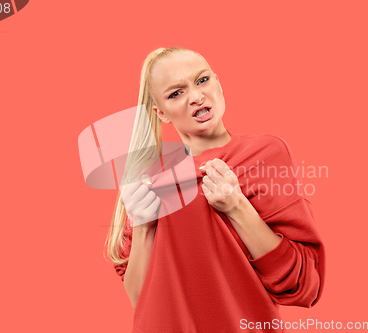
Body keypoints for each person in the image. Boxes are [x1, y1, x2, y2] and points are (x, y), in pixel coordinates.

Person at [104, 46, 326, 333]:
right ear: (161, 113)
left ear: (219, 83)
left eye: (202, 80)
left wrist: (238, 208)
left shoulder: (265, 155)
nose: (196, 97)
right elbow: (140, 300)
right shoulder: (146, 182)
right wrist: (144, 226)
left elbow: (303, 285)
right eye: (176, 93)